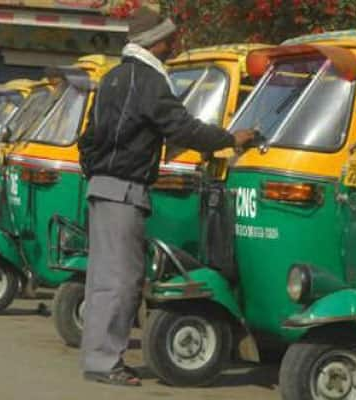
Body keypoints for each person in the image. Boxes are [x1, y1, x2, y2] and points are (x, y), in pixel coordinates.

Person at [78, 6, 257, 387]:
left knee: (103, 277)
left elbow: (88, 139)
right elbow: (183, 128)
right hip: (123, 191)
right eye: (173, 38)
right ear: (157, 42)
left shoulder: (112, 78)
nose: (177, 44)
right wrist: (229, 139)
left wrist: (99, 173)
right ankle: (105, 362)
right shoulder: (149, 82)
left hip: (102, 187)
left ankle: (98, 356)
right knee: (122, 279)